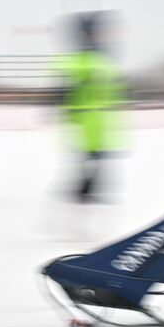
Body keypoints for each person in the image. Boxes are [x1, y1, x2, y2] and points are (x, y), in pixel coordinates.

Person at [57, 12, 125, 203]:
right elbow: (69, 88)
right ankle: (83, 189)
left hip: (95, 116)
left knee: (94, 154)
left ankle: (85, 188)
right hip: (86, 116)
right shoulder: (84, 61)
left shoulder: (97, 59)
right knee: (92, 154)